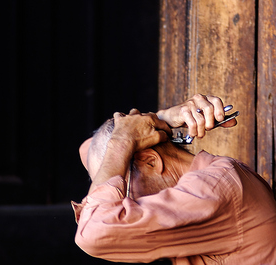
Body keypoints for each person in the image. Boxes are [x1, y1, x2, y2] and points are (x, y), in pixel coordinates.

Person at [72, 94, 276, 264]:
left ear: (150, 161)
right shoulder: (212, 178)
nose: (126, 203)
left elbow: (93, 232)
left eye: (123, 191)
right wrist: (160, 119)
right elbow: (87, 149)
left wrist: (123, 141)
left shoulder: (212, 189)